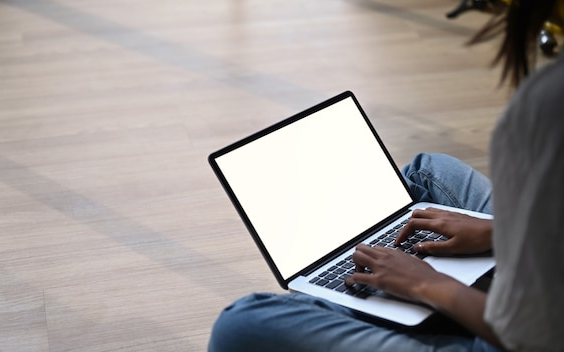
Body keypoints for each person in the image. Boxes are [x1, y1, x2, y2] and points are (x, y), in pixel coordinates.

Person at [208, 0, 564, 350]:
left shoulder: (546, 106)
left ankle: (366, 299)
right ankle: (373, 269)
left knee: (240, 323)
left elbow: (530, 335)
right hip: (540, 280)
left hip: (512, 334)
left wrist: (429, 285)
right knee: (430, 171)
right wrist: (499, 232)